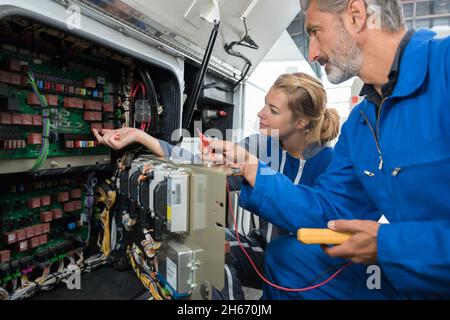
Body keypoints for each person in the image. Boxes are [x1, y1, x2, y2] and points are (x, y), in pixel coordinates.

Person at [201, 0, 450, 299]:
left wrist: (389, 244)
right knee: (287, 256)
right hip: (413, 271)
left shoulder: (444, 69)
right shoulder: (360, 125)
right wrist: (253, 169)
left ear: (356, 16)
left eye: (316, 31)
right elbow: (327, 210)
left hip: (423, 267)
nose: (312, 52)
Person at [93, 72, 340, 300]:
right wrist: (139, 135)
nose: (260, 114)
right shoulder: (259, 146)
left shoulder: (331, 166)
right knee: (205, 244)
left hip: (306, 269)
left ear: (301, 122)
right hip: (262, 252)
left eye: (273, 110)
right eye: (265, 103)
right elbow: (192, 163)